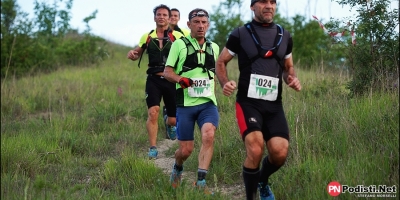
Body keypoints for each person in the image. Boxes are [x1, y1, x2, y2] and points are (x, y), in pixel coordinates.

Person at [215, 0, 302, 199]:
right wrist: (225, 82)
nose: (269, 5)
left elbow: (288, 67)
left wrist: (292, 79)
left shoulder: (285, 35)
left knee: (280, 152)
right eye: (263, 1)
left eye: (273, 2)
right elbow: (221, 62)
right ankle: (251, 196)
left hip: (274, 105)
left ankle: (262, 181)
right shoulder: (239, 34)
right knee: (255, 148)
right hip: (248, 103)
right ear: (252, 6)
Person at [163, 8, 220, 194]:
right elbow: (167, 72)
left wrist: (226, 85)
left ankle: (201, 183)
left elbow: (216, 74)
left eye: (204, 22)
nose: (201, 26)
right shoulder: (179, 45)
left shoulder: (214, 47)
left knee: (209, 135)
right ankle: (177, 166)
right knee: (186, 151)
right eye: (197, 22)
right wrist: (181, 79)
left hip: (207, 103)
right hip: (185, 104)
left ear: (208, 25)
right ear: (189, 25)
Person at [127, 4, 184, 159]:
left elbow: (186, 54)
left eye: (165, 15)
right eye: (159, 14)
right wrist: (132, 54)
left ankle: (169, 122)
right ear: (154, 17)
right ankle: (153, 147)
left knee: (173, 120)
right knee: (153, 112)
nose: (161, 17)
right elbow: (137, 53)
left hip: (171, 80)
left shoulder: (177, 37)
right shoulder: (147, 36)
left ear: (169, 17)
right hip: (153, 79)